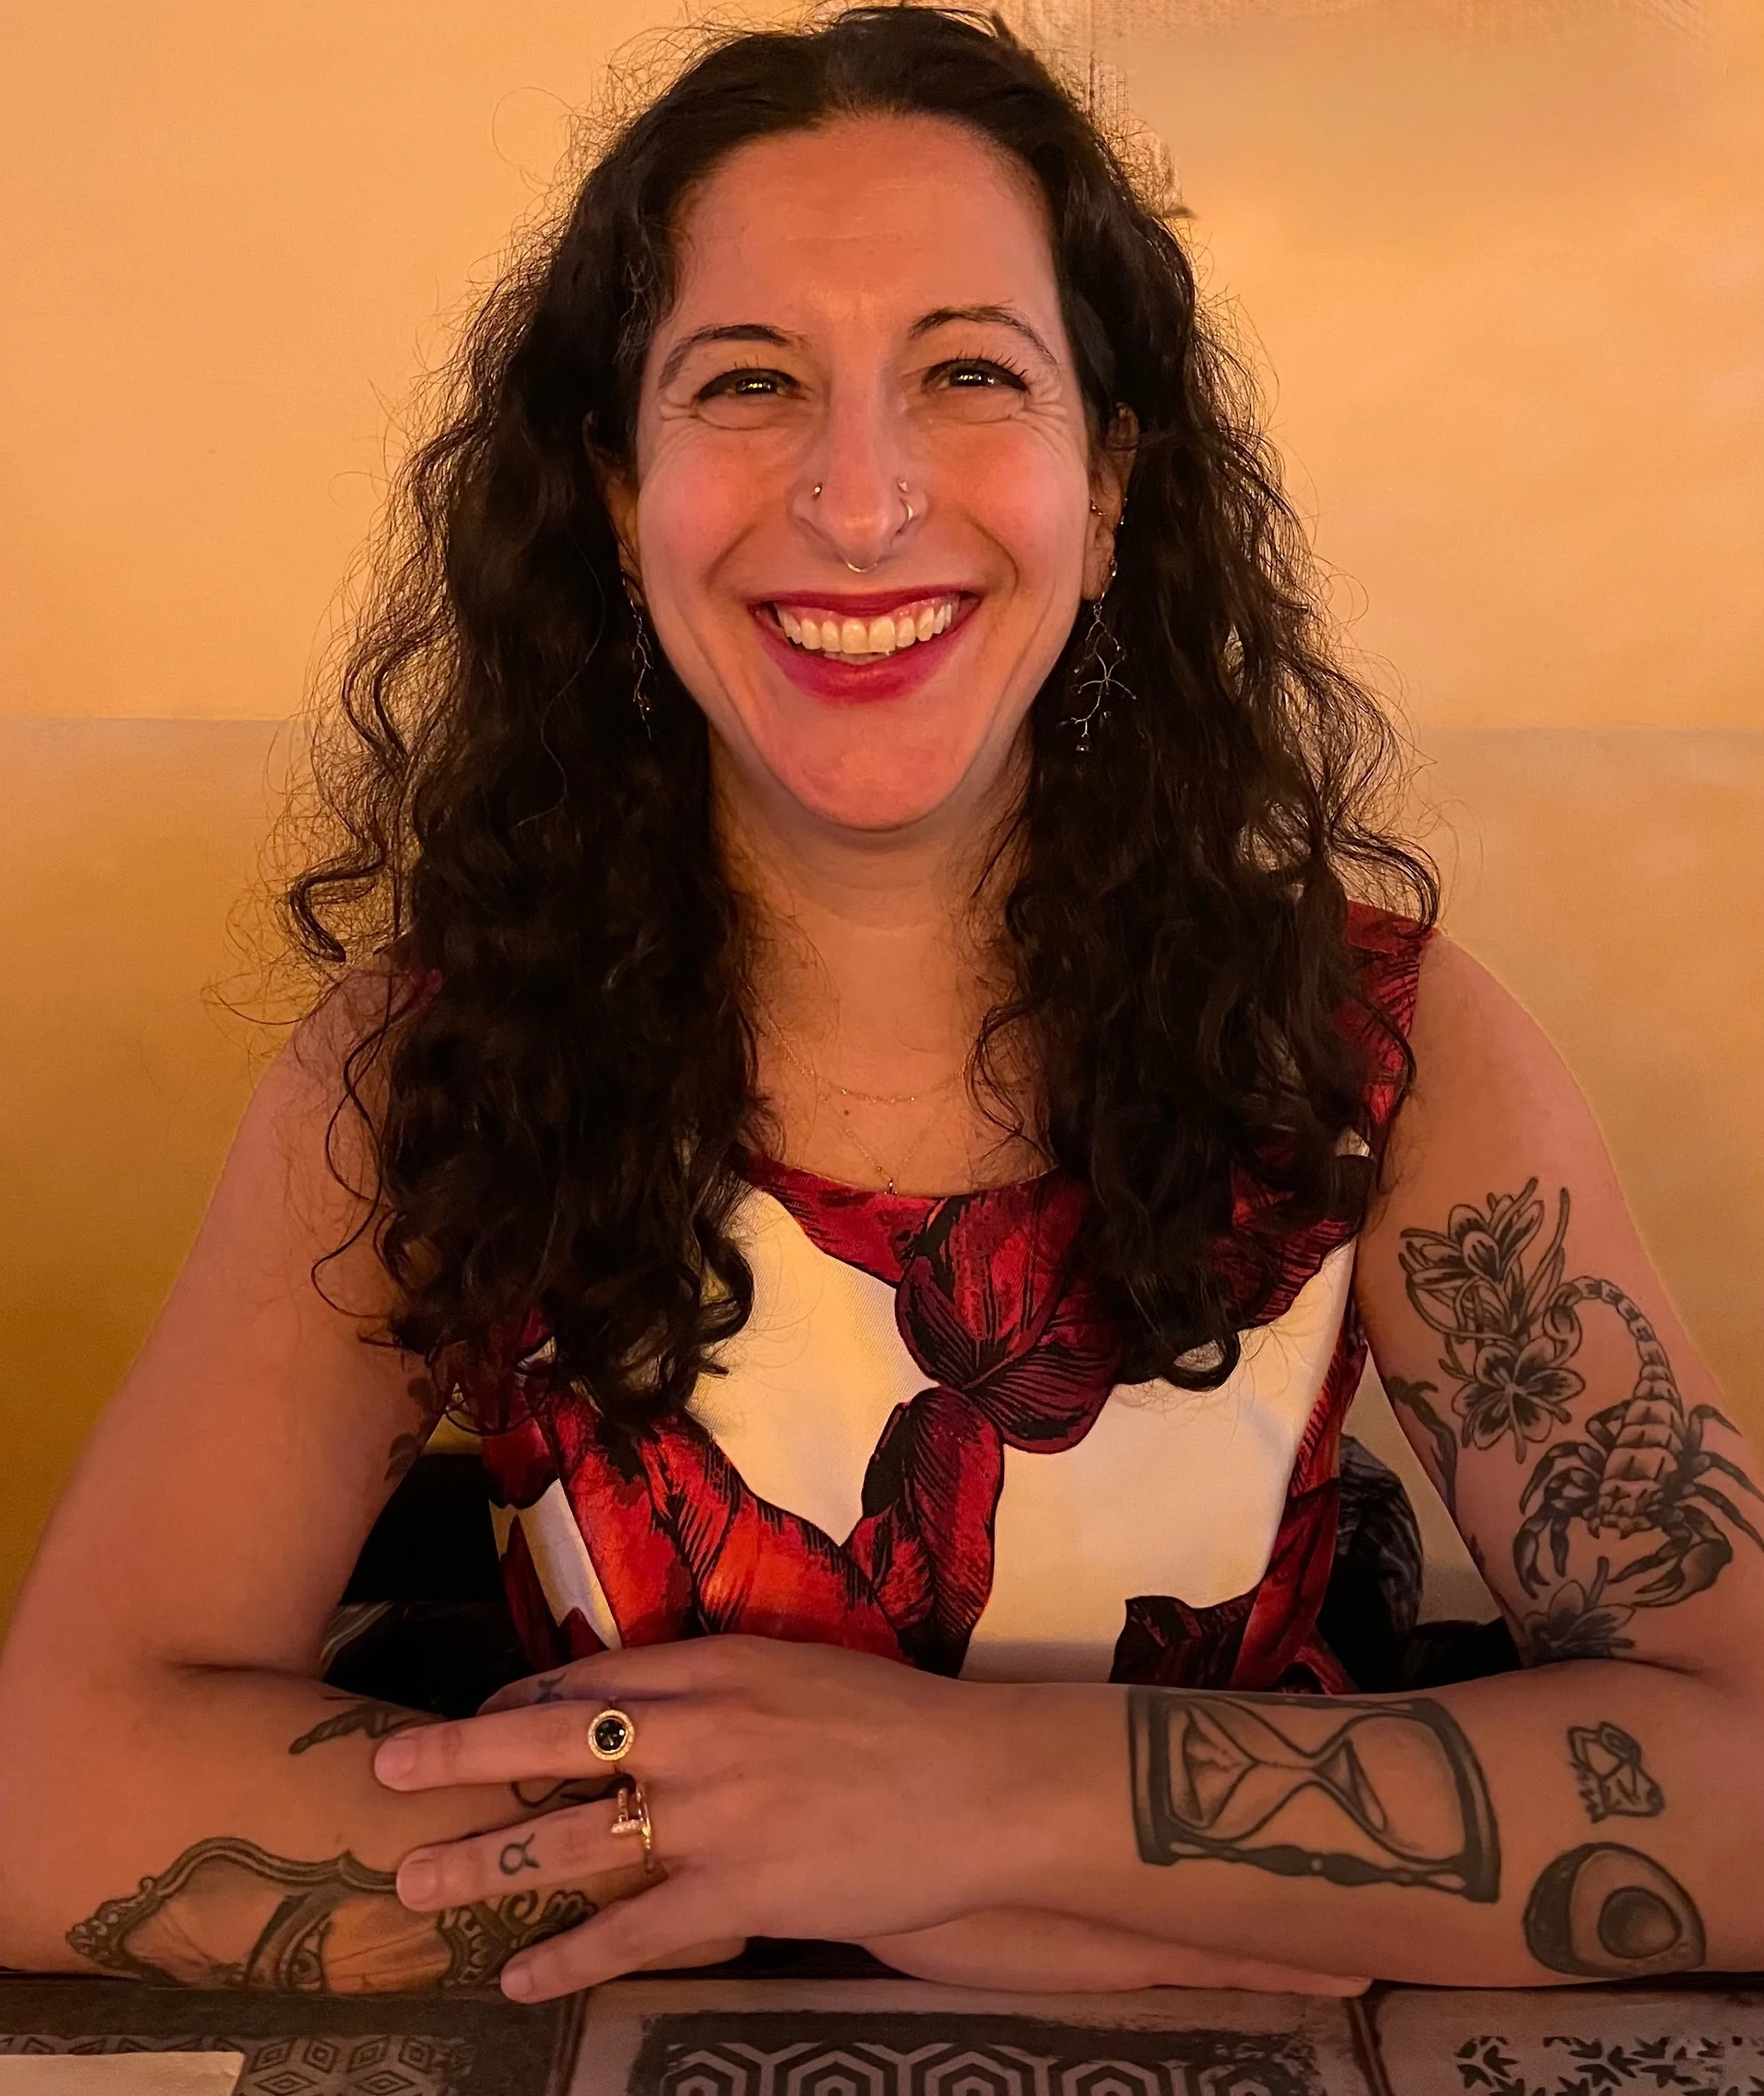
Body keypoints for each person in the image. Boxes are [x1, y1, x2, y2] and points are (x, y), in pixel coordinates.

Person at [2, 3, 1760, 2006]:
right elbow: (56, 1790)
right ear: (617, 494)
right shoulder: (430, 1071)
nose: (858, 499)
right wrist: (796, 1849)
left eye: (970, 374)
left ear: (1109, 484)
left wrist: (967, 1806)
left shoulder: (1380, 1052)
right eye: (748, 382)